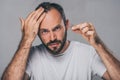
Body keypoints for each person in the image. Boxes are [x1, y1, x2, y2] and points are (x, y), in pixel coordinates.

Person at [1, 2, 120, 80]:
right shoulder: (29, 56)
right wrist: (26, 40)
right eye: (44, 31)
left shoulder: (87, 53)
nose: (52, 38)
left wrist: (98, 44)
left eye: (56, 28)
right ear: (36, 32)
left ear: (67, 24)